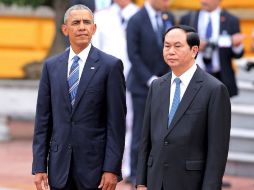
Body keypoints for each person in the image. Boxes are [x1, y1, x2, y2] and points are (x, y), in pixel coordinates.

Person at [32, 4, 126, 190]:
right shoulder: (51, 67)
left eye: (86, 22)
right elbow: (43, 121)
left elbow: (116, 125)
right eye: (76, 22)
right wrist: (39, 166)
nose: (82, 27)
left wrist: (112, 169)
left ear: (94, 28)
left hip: (95, 170)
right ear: (65, 29)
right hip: (59, 170)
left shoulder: (110, 66)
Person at [136, 25, 231, 190]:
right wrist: (141, 182)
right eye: (167, 46)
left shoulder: (214, 89)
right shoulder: (157, 86)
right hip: (155, 181)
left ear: (194, 50)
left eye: (177, 46)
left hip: (189, 182)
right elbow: (146, 139)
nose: (170, 51)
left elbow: (217, 150)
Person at [126, 0, 175, 186]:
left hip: (166, 85)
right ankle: (135, 173)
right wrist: (150, 79)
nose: (167, 2)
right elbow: (133, 54)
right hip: (141, 86)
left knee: (164, 131)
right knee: (140, 131)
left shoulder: (168, 18)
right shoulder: (136, 20)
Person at [92, 0, 139, 178]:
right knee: (104, 123)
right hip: (106, 80)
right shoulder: (101, 16)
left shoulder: (139, 14)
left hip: (134, 80)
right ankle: (103, 166)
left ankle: (127, 168)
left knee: (131, 124)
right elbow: (95, 49)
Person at [180, 0, 244, 97]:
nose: (203, 1)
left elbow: (238, 54)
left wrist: (237, 45)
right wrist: (192, 45)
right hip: (192, 77)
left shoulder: (231, 20)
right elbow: (177, 48)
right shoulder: (188, 18)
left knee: (218, 111)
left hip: (220, 77)